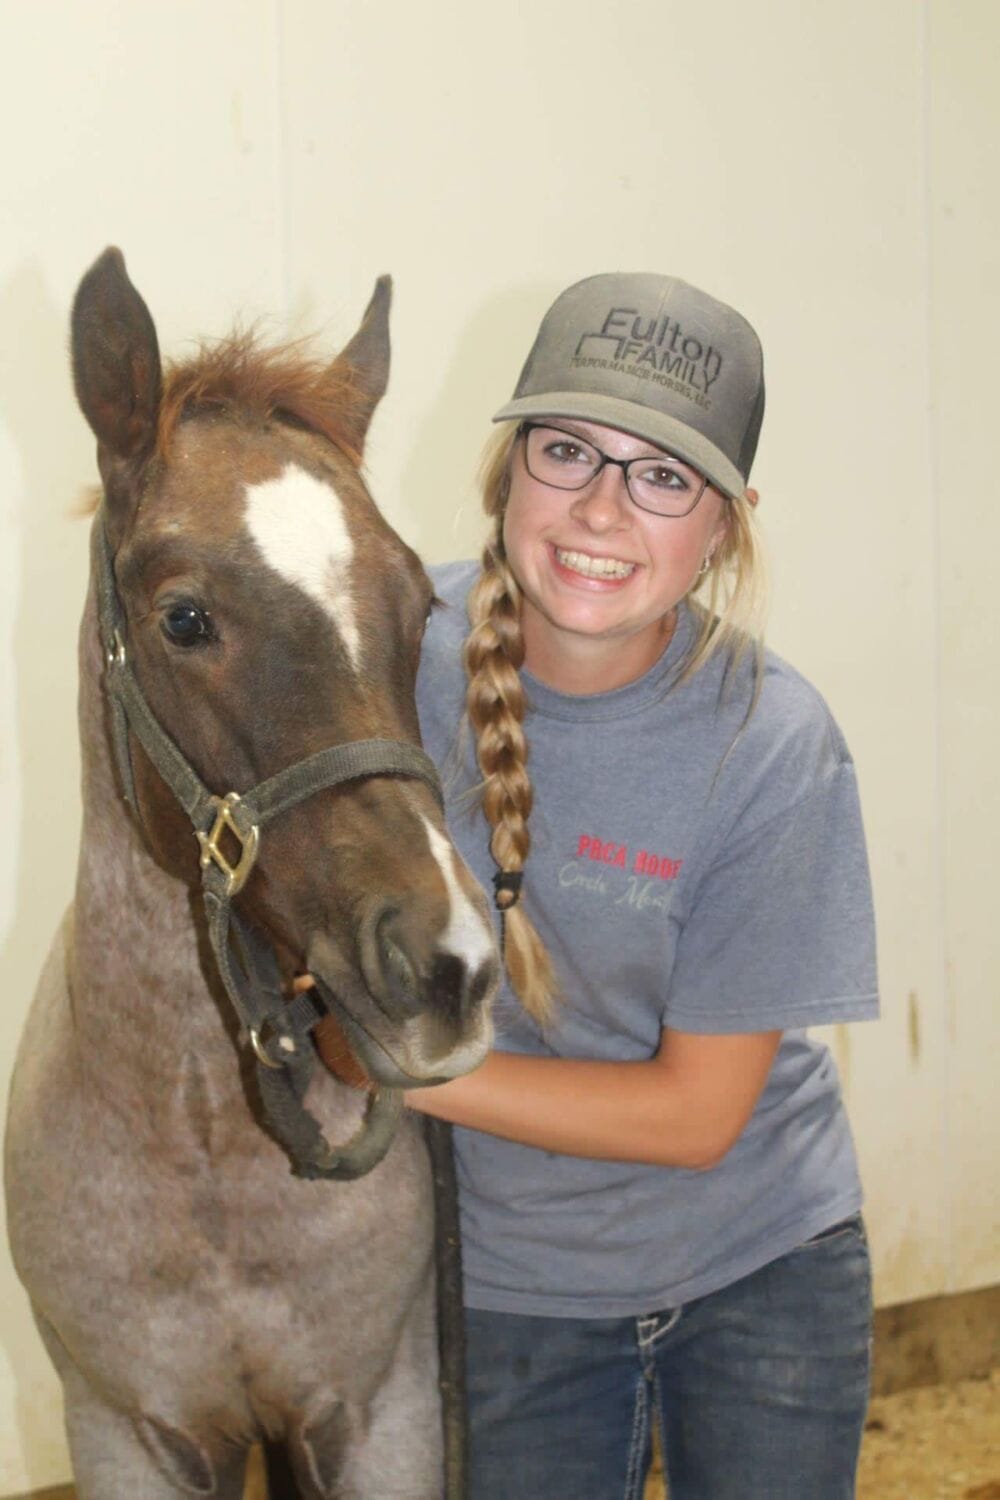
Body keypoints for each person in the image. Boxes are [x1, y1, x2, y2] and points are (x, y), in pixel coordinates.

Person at [406, 272, 878, 1500]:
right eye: (567, 451)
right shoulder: (388, 660)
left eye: (663, 475)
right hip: (513, 1295)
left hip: (760, 1267)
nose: (602, 509)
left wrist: (407, 1065)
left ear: (722, 524)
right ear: (508, 472)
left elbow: (693, 1118)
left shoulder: (769, 744)